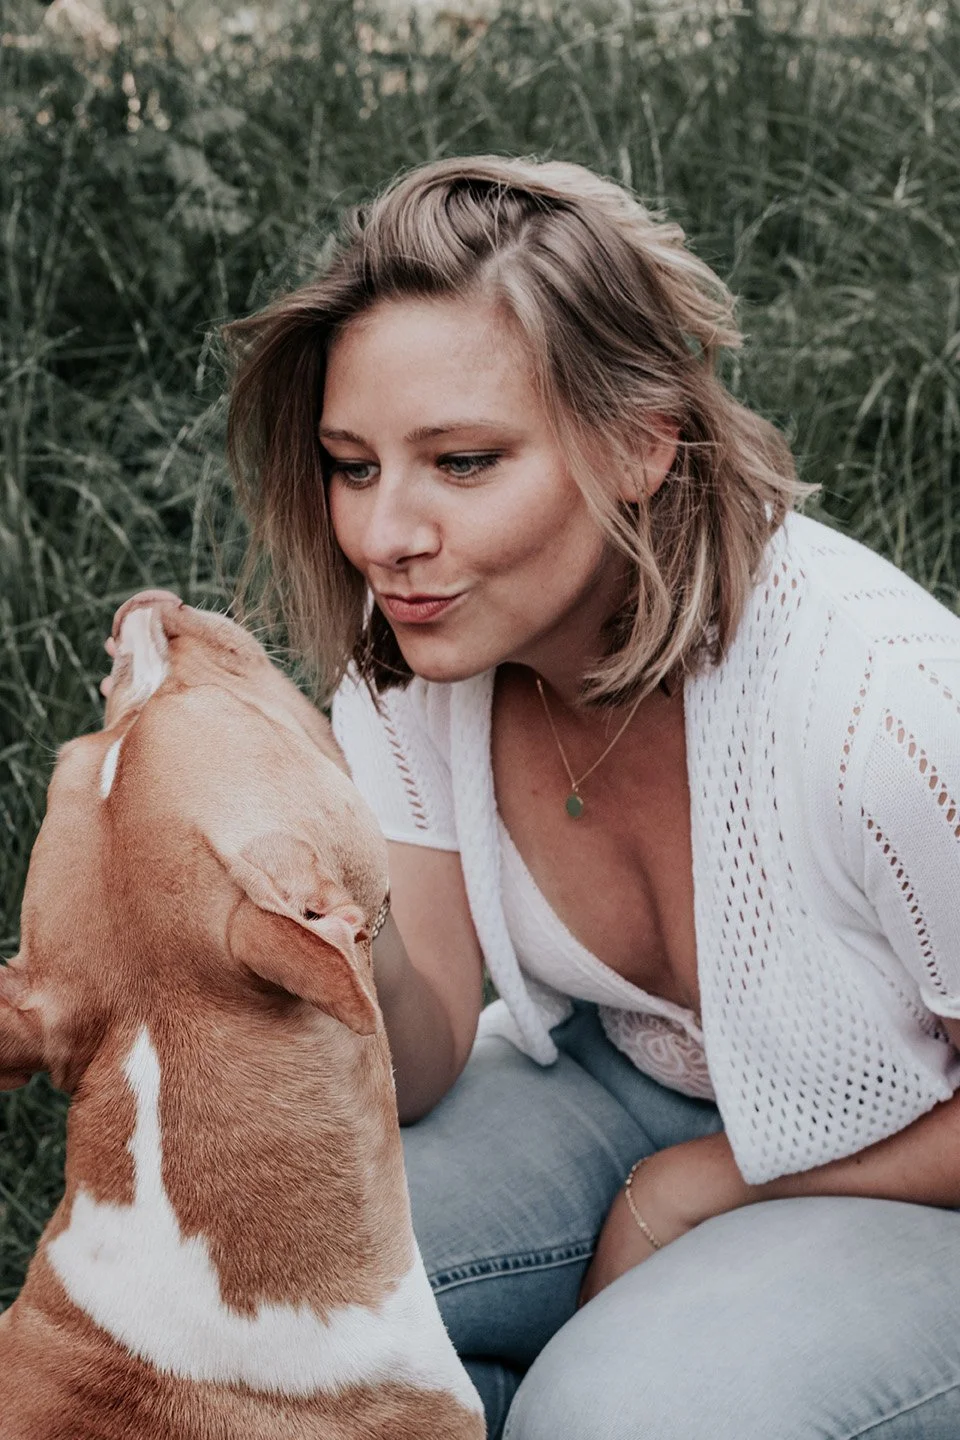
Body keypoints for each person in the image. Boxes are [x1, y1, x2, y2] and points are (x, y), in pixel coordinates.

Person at [217, 156, 960, 1439]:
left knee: (621, 1413)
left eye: (460, 462)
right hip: (620, 1087)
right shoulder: (413, 671)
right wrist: (328, 911)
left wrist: (704, 1192)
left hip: (917, 1179)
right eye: (352, 465)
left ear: (640, 442)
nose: (386, 534)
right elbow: (433, 1040)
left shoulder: (885, 714)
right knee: (238, 1300)